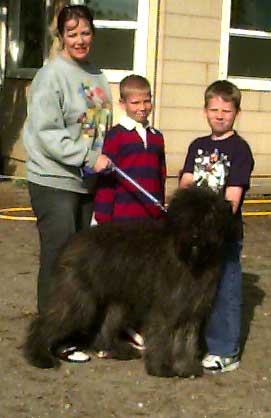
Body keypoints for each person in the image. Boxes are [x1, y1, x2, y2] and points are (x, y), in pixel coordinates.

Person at [23, 5, 112, 319]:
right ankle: (49, 331)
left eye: (85, 32)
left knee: (82, 260)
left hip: (88, 182)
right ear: (61, 36)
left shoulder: (96, 74)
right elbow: (47, 132)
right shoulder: (51, 75)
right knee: (59, 257)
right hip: (54, 181)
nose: (80, 39)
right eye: (72, 33)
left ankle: (73, 325)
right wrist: (87, 156)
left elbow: (100, 125)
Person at [179, 80, 254, 374]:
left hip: (223, 236)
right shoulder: (197, 146)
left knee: (225, 291)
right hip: (193, 235)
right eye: (214, 109)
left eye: (227, 110)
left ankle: (225, 350)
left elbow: (232, 198)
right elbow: (185, 182)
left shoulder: (239, 149)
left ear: (236, 112)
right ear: (205, 111)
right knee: (196, 290)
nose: (220, 115)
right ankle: (195, 342)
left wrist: (212, 225)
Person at [94, 74, 166, 223]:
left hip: (151, 219)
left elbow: (161, 177)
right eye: (135, 102)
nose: (142, 107)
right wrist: (103, 216)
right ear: (122, 104)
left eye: (146, 101)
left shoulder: (156, 137)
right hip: (122, 219)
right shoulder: (116, 135)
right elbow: (107, 178)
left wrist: (160, 211)